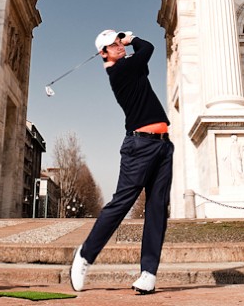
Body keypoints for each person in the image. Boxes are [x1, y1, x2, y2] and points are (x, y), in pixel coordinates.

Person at [70, 30, 173, 295]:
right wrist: (131, 37)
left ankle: (148, 273)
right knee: (121, 203)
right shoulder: (120, 70)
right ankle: (85, 255)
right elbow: (148, 48)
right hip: (140, 146)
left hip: (162, 145)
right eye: (112, 45)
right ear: (102, 54)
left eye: (118, 42)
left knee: (157, 209)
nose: (118, 46)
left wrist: (124, 43)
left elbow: (144, 58)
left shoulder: (130, 68)